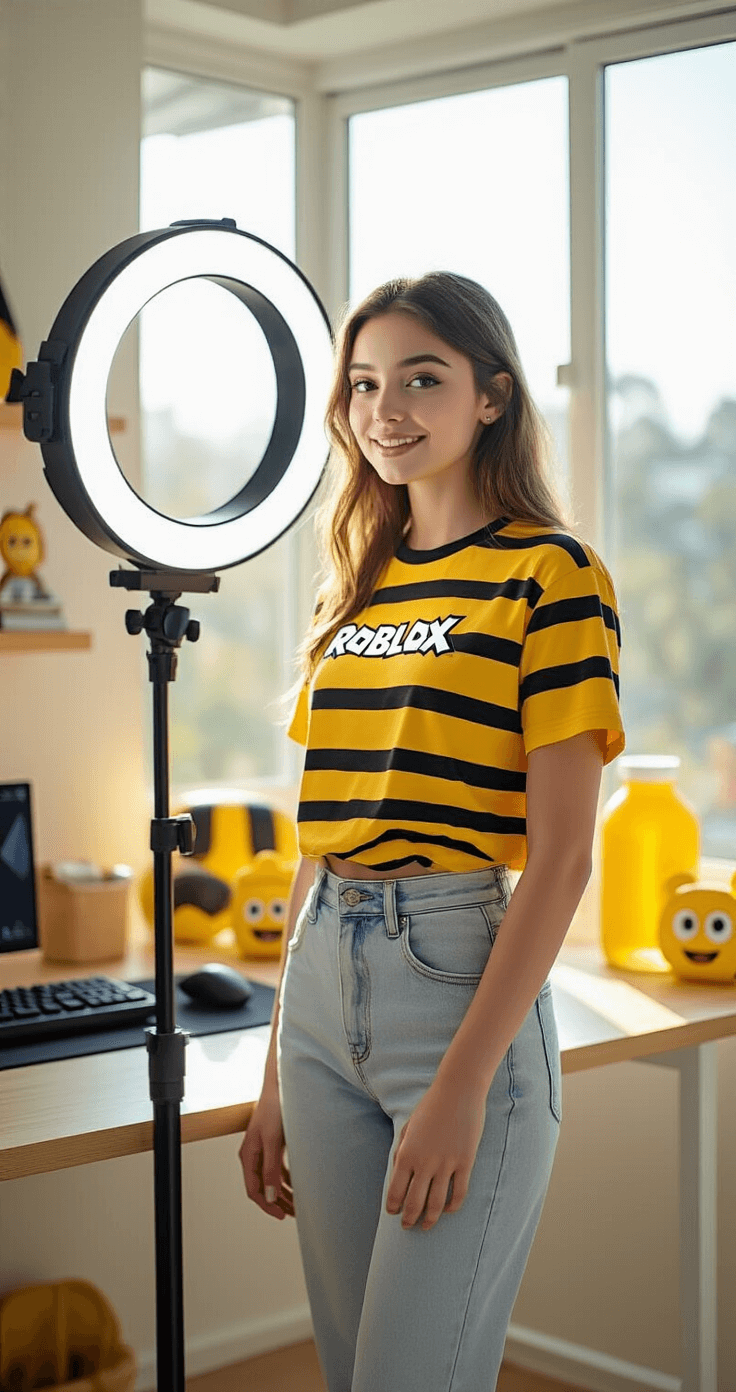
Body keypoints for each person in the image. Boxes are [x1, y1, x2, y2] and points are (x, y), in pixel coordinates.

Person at [239, 271, 625, 1392]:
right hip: (319, 992)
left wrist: (463, 1083)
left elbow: (561, 859)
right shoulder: (354, 588)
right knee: (355, 1371)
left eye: (421, 378)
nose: (385, 409)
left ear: (491, 397)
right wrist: (275, 1071)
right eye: (363, 385)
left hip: (456, 982)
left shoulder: (550, 576)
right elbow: (320, 839)